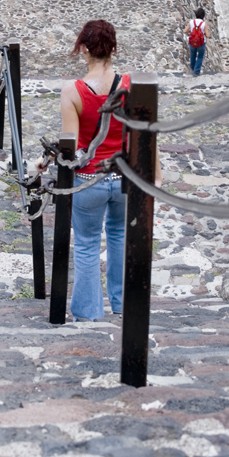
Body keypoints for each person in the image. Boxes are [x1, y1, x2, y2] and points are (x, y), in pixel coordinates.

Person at [55, 20, 160, 321]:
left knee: (87, 243)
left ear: (83, 50)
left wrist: (43, 161)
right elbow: (147, 133)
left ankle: (89, 313)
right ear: (114, 48)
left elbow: (72, 147)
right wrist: (157, 174)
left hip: (89, 179)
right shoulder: (131, 86)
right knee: (118, 237)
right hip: (125, 177)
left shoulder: (72, 92)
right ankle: (121, 304)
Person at [184, 7, 208, 76]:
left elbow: (185, 31)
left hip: (192, 41)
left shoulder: (192, 22)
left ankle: (192, 69)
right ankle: (196, 71)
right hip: (201, 43)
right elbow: (208, 35)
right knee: (200, 56)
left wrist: (191, 31)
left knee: (193, 55)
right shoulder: (204, 24)